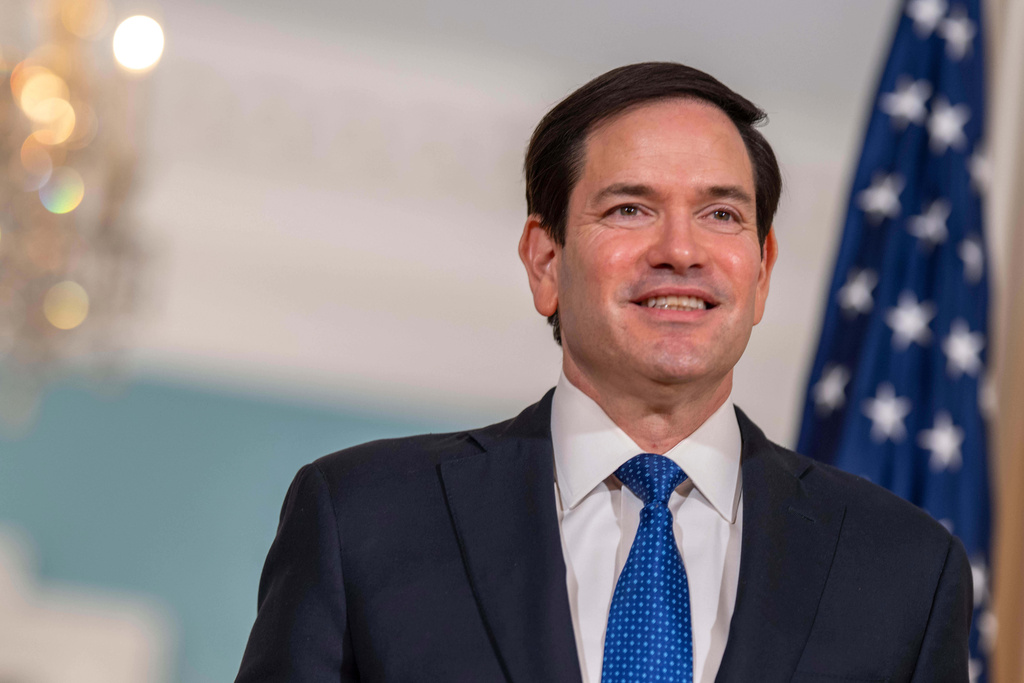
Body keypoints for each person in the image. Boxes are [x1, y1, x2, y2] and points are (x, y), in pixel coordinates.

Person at [236, 62, 972, 683]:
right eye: (629, 209)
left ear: (762, 270)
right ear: (545, 261)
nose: (681, 250)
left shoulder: (904, 568)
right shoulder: (363, 518)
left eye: (721, 214)